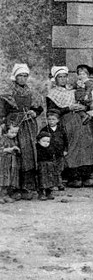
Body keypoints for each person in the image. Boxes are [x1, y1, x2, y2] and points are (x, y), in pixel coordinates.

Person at [0, 63, 45, 200]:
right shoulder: (8, 93)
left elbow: (39, 108)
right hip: (13, 126)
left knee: (28, 154)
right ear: (15, 77)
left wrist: (34, 112)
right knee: (14, 155)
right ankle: (13, 188)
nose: (23, 78)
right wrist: (3, 124)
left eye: (25, 76)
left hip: (28, 126)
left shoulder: (31, 92)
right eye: (20, 76)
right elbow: (2, 111)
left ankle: (27, 187)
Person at [62, 65, 93, 188]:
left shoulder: (91, 87)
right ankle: (74, 176)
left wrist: (87, 107)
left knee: (86, 146)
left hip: (86, 122)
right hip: (70, 121)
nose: (81, 75)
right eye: (79, 73)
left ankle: (87, 175)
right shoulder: (70, 88)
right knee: (73, 146)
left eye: (84, 73)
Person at [41, 112, 68, 191]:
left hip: (59, 152)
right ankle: (52, 184)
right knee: (51, 168)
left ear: (58, 120)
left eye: (53, 119)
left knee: (59, 168)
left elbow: (66, 140)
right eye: (49, 119)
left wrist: (65, 150)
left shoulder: (61, 129)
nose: (51, 121)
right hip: (50, 152)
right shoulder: (45, 129)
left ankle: (59, 183)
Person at [0, 124, 21, 203]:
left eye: (16, 133)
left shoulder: (14, 140)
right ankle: (1, 195)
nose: (14, 134)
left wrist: (17, 150)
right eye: (12, 132)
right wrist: (10, 149)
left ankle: (6, 195)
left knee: (10, 178)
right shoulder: (2, 139)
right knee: (3, 178)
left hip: (12, 162)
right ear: (6, 132)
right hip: (4, 162)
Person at [35, 131, 58, 200]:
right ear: (39, 141)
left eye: (48, 141)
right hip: (41, 165)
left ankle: (49, 192)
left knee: (50, 178)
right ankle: (41, 193)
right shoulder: (37, 148)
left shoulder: (50, 148)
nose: (46, 143)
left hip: (49, 165)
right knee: (42, 179)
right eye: (44, 141)